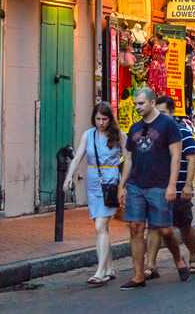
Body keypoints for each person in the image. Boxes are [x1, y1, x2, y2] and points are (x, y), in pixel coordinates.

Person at [117, 87, 189, 290]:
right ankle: (139, 275)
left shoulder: (168, 124)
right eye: (135, 104)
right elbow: (129, 159)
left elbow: (177, 155)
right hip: (136, 185)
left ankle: (178, 259)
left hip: (160, 184)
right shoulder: (134, 128)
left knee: (165, 230)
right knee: (135, 227)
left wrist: (172, 185)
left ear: (151, 102)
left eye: (140, 103)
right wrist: (122, 185)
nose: (137, 107)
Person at [63, 102, 127, 286]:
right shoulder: (88, 135)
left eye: (104, 119)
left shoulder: (119, 135)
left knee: (101, 226)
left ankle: (100, 271)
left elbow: (129, 158)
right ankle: (109, 268)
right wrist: (69, 176)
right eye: (98, 119)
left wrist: (124, 184)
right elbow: (78, 157)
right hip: (93, 181)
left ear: (110, 119)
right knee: (101, 228)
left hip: (110, 181)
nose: (101, 122)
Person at [146, 97, 195, 278]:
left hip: (178, 190)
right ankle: (151, 265)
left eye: (162, 113)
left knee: (185, 226)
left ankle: (193, 257)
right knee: (154, 226)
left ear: (172, 113)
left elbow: (191, 159)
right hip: (157, 190)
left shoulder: (183, 133)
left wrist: (187, 186)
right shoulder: (151, 134)